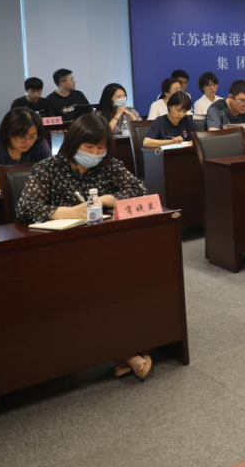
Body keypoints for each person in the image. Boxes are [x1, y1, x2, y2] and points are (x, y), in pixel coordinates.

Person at [15, 113, 151, 380]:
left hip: (106, 248)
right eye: (89, 147)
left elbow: (140, 191)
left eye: (101, 147)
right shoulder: (47, 169)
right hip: (60, 254)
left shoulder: (110, 166)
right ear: (73, 143)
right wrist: (66, 212)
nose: (96, 154)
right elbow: (25, 209)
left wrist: (109, 199)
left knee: (130, 281)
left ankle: (129, 346)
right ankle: (125, 351)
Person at [0, 108, 51, 189]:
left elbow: (51, 176)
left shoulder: (39, 145)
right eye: (21, 136)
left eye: (32, 136)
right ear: (8, 133)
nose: (27, 141)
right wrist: (8, 180)